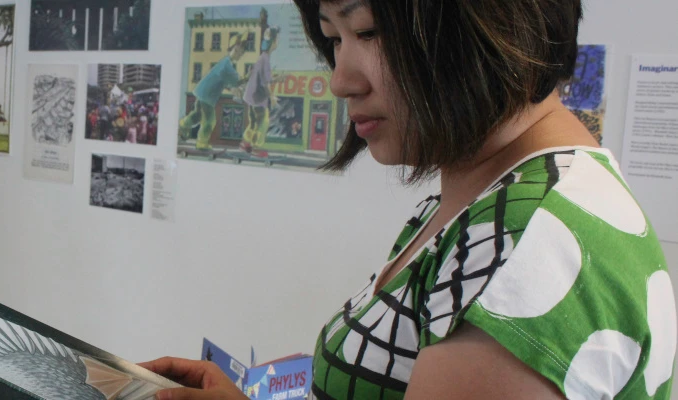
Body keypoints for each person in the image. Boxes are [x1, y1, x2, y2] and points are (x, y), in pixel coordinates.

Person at [141, 1, 677, 399]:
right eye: (334, 39)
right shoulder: (487, 201)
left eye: (368, 31)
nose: (341, 81)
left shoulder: (527, 249)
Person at [179, 35, 248, 151]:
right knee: (210, 120)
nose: (238, 55)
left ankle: (183, 124)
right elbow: (236, 81)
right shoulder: (227, 65)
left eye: (240, 53)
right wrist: (246, 78)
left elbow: (225, 81)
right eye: (237, 51)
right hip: (207, 95)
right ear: (232, 49)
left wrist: (233, 87)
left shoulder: (225, 63)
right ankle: (201, 143)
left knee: (197, 115)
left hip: (202, 92)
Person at [239, 26, 281, 157]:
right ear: (273, 42)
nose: (278, 42)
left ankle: (245, 143)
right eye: (277, 39)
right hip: (258, 99)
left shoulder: (261, 57)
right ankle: (256, 147)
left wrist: (277, 78)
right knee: (263, 123)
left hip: (251, 98)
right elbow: (265, 83)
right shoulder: (266, 59)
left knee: (253, 123)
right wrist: (272, 98)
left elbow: (264, 77)